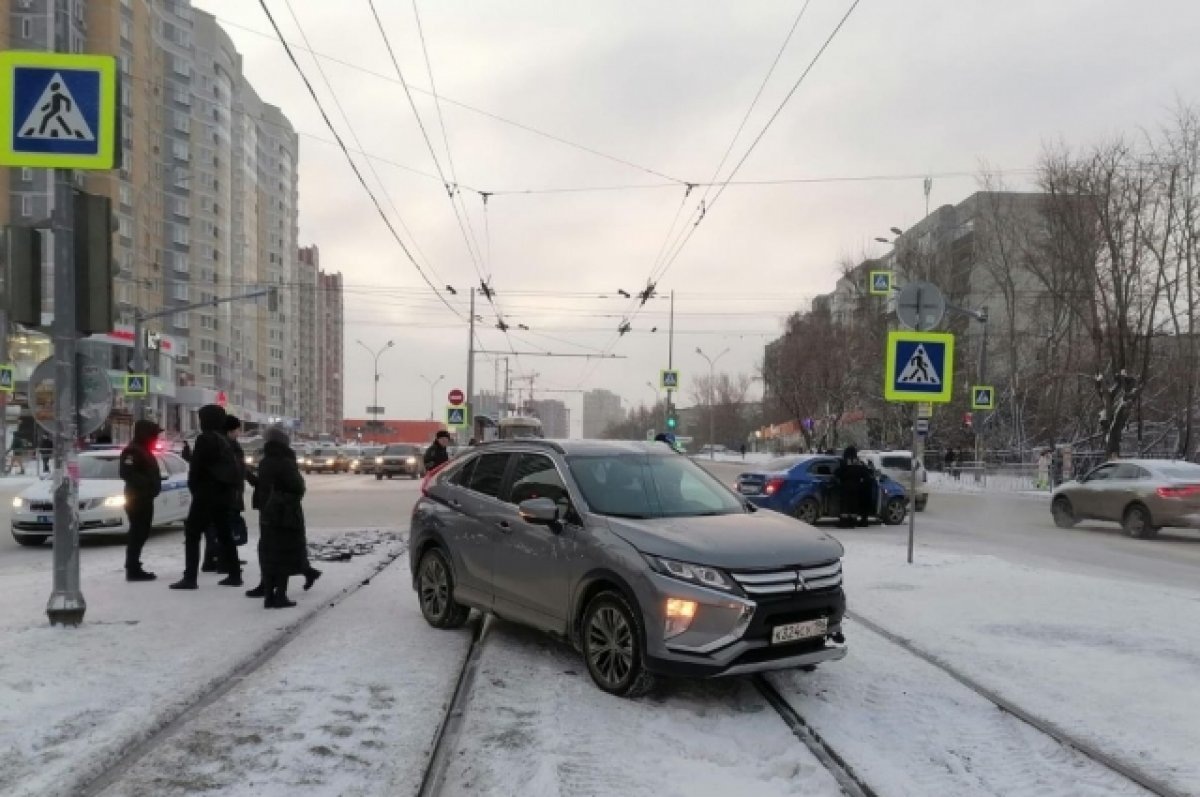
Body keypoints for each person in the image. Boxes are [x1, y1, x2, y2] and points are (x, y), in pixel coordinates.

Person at [170, 405, 241, 590]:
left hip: (206, 494)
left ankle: (190, 577)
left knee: (192, 534)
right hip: (223, 494)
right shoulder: (225, 440)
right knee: (224, 533)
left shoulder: (205, 439)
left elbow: (196, 468)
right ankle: (235, 574)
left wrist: (195, 489)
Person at [254, 427, 316, 608]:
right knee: (283, 552)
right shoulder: (285, 462)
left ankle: (268, 595)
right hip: (285, 515)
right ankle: (280, 595)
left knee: (269, 553)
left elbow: (262, 488)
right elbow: (298, 488)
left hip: (267, 514)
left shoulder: (265, 462)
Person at [119, 420, 162, 582]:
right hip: (136, 498)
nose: (156, 438)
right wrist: (148, 484)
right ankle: (132, 568)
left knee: (142, 532)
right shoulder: (132, 450)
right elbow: (126, 473)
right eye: (154, 435)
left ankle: (134, 565)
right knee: (137, 532)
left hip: (144, 497)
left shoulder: (143, 450)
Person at [834, 446, 871, 528]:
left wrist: (837, 476)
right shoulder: (858, 462)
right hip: (856, 487)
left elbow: (838, 472)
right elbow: (866, 474)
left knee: (845, 505)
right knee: (853, 505)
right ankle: (852, 522)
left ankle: (844, 522)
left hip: (845, 486)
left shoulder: (844, 462)